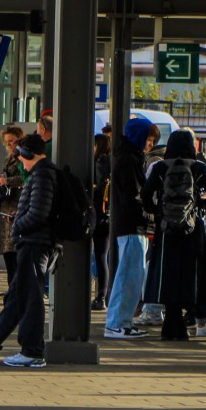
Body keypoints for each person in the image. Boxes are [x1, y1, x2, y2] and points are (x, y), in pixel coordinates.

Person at [0, 134, 57, 368]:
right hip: (33, 242)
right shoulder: (40, 174)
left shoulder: (42, 175)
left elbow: (38, 212)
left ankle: (32, 351)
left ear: (29, 153)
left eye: (22, 156)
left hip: (34, 243)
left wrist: (18, 224)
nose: (20, 162)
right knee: (17, 298)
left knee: (30, 299)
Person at [140, 128, 206, 340]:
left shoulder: (160, 167)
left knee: (167, 273)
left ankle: (170, 323)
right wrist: (199, 203)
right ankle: (189, 320)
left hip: (166, 229)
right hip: (192, 229)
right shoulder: (199, 168)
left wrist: (158, 210)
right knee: (191, 273)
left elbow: (145, 195)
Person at [105, 116, 156, 339]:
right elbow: (133, 195)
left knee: (130, 275)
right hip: (132, 225)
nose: (150, 144)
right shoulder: (129, 159)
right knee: (129, 276)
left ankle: (121, 322)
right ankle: (117, 323)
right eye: (148, 139)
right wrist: (148, 215)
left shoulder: (127, 156)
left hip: (130, 225)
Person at [0, 124, 27, 283]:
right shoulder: (10, 157)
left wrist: (7, 181)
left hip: (17, 204)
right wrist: (2, 179)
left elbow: (25, 177)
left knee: (15, 249)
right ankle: (11, 286)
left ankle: (16, 286)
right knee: (8, 250)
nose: (9, 144)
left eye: (12, 141)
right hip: (6, 205)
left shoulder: (24, 157)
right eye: (7, 142)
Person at [91, 133, 113, 310]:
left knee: (99, 256)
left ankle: (100, 296)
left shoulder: (99, 162)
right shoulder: (111, 162)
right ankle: (102, 295)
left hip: (97, 214)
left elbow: (98, 188)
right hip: (106, 215)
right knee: (102, 255)